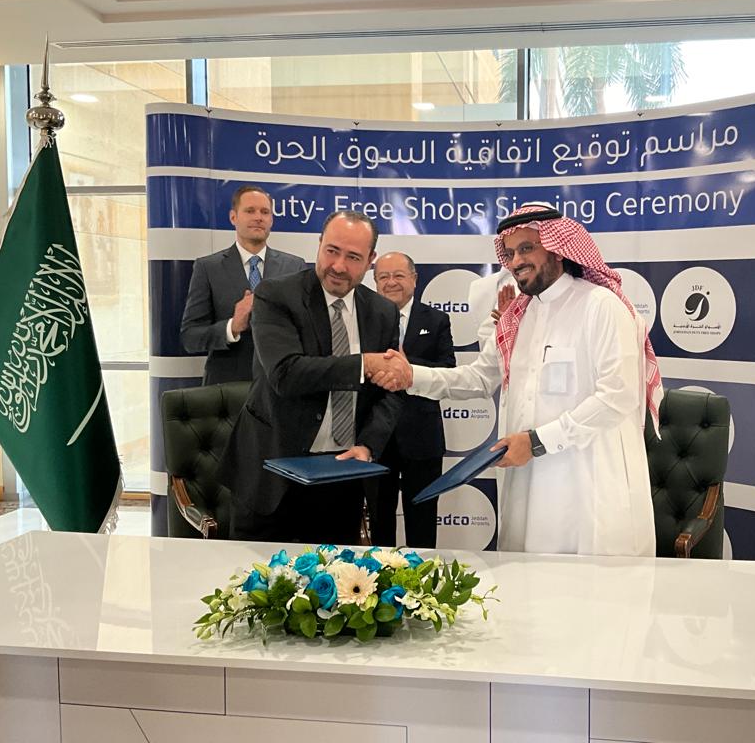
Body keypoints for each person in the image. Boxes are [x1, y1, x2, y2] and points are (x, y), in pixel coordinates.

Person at [371, 203, 664, 557]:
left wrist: (538, 442)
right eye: (509, 253)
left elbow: (617, 396)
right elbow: (478, 378)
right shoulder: (518, 315)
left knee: (589, 584)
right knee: (528, 580)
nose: (516, 261)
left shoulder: (600, 305)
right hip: (527, 483)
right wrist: (411, 376)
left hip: (588, 488)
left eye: (527, 248)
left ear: (558, 248)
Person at [220, 210, 403, 544]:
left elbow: (390, 393)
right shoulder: (275, 295)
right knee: (259, 576)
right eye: (331, 251)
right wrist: (364, 364)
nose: (338, 266)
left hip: (341, 476)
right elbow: (286, 373)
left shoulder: (383, 312)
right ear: (319, 244)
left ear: (370, 260)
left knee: (337, 575)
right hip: (271, 475)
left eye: (353, 257)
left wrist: (367, 445)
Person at [368, 251, 455, 548]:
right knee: (379, 522)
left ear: (414, 280)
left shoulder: (437, 319)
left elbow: (448, 372)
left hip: (422, 439)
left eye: (398, 275)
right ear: (375, 281)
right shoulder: (365, 320)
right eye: (383, 276)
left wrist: (410, 367)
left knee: (423, 523)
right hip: (376, 438)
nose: (391, 282)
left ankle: (422, 578)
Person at [180, 185, 305, 385]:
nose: (258, 217)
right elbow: (190, 338)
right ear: (233, 217)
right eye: (250, 211)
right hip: (227, 388)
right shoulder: (208, 268)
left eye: (265, 212)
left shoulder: (294, 267)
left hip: (280, 386)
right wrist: (232, 327)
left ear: (271, 220)